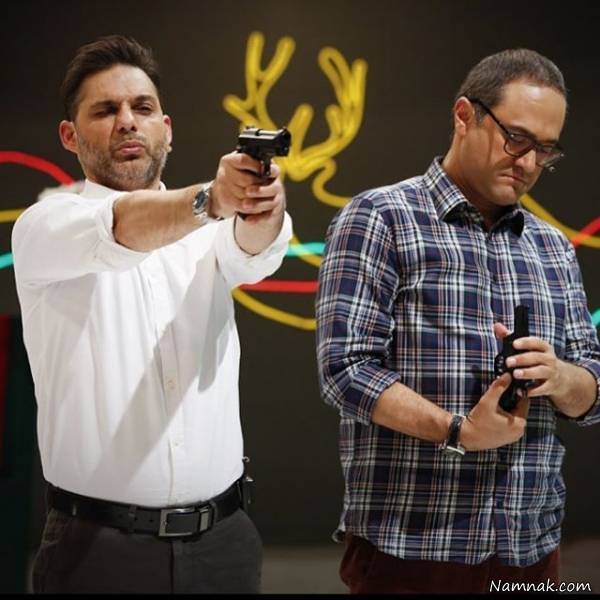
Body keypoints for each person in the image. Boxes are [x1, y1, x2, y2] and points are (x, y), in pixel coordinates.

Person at [12, 35, 292, 593]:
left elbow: (255, 252)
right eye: (105, 110)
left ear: (167, 128)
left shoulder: (211, 229)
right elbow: (120, 226)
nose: (127, 122)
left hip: (224, 543)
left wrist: (261, 206)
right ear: (69, 135)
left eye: (141, 108)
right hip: (97, 552)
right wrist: (212, 200)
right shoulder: (45, 225)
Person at [316, 48, 600, 594]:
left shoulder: (553, 246)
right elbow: (346, 371)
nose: (529, 163)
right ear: (465, 115)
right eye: (516, 139)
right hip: (413, 547)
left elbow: (592, 386)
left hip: (531, 547)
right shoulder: (380, 217)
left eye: (545, 150)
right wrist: (459, 432)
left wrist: (561, 376)